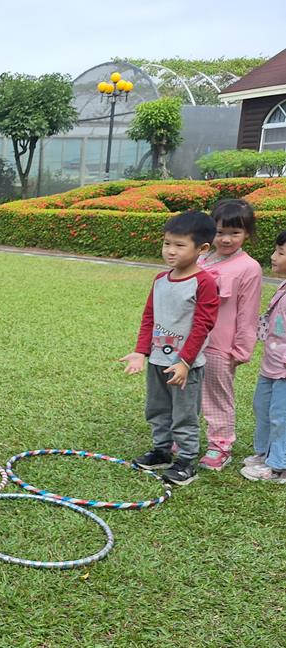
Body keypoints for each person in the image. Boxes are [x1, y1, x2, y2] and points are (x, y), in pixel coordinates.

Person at [120, 210, 220, 486]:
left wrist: (185, 362)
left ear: (202, 249)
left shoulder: (204, 282)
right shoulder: (160, 280)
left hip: (185, 366)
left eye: (179, 245)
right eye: (167, 243)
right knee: (157, 408)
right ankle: (161, 451)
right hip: (157, 361)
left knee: (184, 414)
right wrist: (141, 351)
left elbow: (203, 325)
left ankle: (186, 461)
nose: (170, 251)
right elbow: (149, 317)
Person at [196, 199, 263, 471]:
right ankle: (182, 437)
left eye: (234, 233)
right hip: (189, 342)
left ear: (247, 233)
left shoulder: (249, 267)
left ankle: (220, 445)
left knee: (217, 396)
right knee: (184, 392)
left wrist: (241, 349)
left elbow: (248, 313)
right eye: (219, 232)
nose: (226, 239)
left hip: (219, 346)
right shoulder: (200, 258)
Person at [242, 230, 286, 482]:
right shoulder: (283, 286)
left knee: (281, 416)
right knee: (263, 407)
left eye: (281, 253)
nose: (273, 256)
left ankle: (279, 465)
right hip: (271, 365)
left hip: (284, 371)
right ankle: (265, 453)